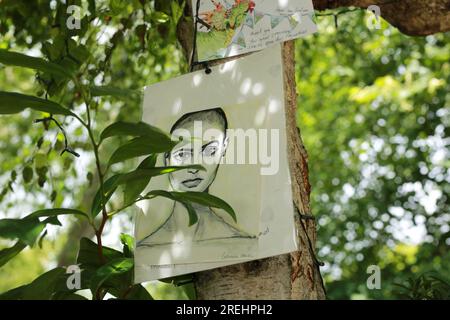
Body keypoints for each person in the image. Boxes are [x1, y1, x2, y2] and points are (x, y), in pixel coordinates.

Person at [137, 107, 255, 248]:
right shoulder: (146, 249)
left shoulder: (243, 244)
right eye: (182, 154)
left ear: (224, 148)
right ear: (166, 157)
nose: (194, 168)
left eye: (210, 151)